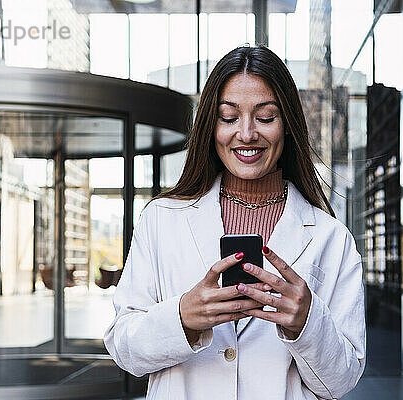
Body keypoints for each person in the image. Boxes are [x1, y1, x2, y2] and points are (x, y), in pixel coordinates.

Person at [104, 45, 366, 400]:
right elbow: (124, 348)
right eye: (228, 117)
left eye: (266, 116)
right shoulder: (162, 220)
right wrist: (182, 317)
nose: (246, 134)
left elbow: (341, 380)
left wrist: (308, 321)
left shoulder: (330, 238)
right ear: (211, 126)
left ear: (287, 124)